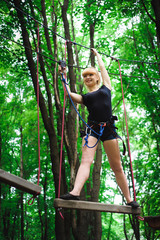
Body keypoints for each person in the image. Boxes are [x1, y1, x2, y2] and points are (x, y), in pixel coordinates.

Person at [58, 49, 139, 208]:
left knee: (117, 166)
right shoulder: (85, 98)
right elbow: (67, 94)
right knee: (86, 162)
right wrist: (63, 75)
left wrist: (98, 56)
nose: (88, 77)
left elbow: (103, 70)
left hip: (109, 129)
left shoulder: (105, 88)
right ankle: (75, 192)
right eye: (85, 76)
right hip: (92, 129)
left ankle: (129, 199)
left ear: (97, 78)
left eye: (91, 75)